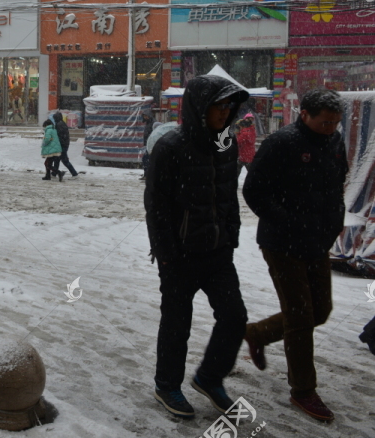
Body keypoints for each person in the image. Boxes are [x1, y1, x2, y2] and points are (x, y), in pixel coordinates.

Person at [144, 74, 250, 420]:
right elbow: (156, 208)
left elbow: (228, 197)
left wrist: (230, 235)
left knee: (234, 317)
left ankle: (209, 377)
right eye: (219, 106)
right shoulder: (171, 147)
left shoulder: (226, 144)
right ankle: (167, 385)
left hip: (218, 253)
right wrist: (167, 255)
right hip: (180, 256)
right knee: (177, 323)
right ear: (199, 107)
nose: (225, 113)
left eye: (228, 106)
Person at [242, 88, 348, 423]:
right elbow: (253, 190)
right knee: (301, 314)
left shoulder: (334, 142)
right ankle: (303, 389)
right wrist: (286, 221)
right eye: (324, 122)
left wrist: (333, 223)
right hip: (282, 243)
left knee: (320, 310)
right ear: (304, 115)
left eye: (335, 122)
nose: (330, 127)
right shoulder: (282, 143)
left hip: (318, 240)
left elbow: (336, 184)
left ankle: (258, 333)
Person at [53, 112, 79, 179]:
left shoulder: (59, 124)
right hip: (64, 144)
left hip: (61, 145)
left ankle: (74, 174)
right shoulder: (62, 123)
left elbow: (59, 136)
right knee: (57, 159)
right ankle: (54, 173)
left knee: (64, 160)